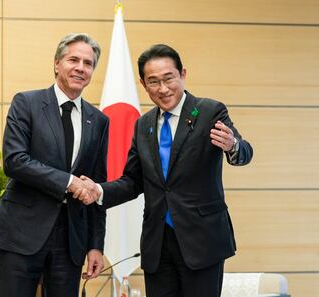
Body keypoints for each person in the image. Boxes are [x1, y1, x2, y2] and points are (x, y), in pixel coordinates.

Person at [74, 44, 253, 297]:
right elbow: (133, 181)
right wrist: (99, 191)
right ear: (143, 84)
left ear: (183, 74)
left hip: (201, 241)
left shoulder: (209, 111)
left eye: (169, 78)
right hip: (158, 244)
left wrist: (232, 145)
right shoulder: (143, 125)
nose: (163, 88)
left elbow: (245, 152)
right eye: (154, 81)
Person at [0, 33, 109, 297]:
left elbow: (96, 186)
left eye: (88, 63)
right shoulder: (27, 103)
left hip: (71, 239)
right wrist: (69, 181)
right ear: (56, 64)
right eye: (73, 59)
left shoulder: (98, 120)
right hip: (22, 232)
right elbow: (14, 161)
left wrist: (95, 245)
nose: (80, 67)